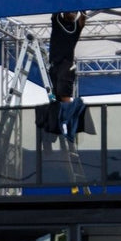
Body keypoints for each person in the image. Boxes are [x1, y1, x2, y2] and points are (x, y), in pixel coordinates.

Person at [48, 11, 88, 144]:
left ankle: (70, 120)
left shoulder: (75, 27)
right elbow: (55, 12)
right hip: (54, 64)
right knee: (55, 97)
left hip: (67, 64)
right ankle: (59, 127)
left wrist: (82, 9)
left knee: (64, 93)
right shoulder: (58, 21)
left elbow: (82, 19)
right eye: (69, 11)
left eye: (73, 12)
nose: (71, 13)